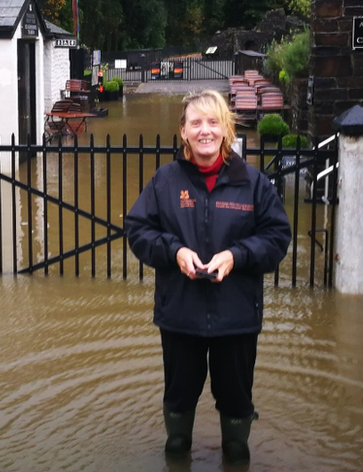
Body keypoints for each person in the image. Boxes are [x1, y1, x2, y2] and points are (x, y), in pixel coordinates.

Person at [124, 90, 291, 464]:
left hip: (237, 319)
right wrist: (175, 251)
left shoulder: (253, 183)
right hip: (180, 315)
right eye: (196, 123)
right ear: (183, 131)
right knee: (179, 400)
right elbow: (138, 230)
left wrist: (235, 255)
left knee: (235, 403)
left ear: (226, 128)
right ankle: (177, 448)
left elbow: (278, 238)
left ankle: (236, 449)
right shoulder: (165, 181)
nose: (205, 131)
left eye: (213, 122)